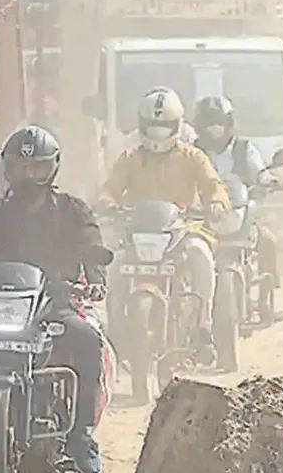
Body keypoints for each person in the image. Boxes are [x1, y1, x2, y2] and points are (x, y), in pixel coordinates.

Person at [0, 126, 111, 473]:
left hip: (54, 305)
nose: (29, 176)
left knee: (88, 339)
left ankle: (81, 437)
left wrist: (95, 282)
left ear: (52, 169)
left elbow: (91, 247)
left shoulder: (73, 210)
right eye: (21, 168)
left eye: (37, 168)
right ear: (8, 170)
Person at [96, 88, 230, 359]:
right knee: (113, 265)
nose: (158, 133)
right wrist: (106, 202)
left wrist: (216, 202)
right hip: (137, 234)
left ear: (178, 125)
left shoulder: (193, 157)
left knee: (201, 255)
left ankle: (203, 327)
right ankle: (113, 329)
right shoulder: (130, 158)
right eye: (152, 125)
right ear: (142, 124)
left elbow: (213, 185)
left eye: (165, 126)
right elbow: (109, 189)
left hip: (183, 230)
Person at [192, 96, 283, 290]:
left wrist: (270, 180)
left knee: (268, 242)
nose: (215, 128)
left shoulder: (244, 148)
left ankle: (267, 294)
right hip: (202, 217)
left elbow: (259, 171)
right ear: (200, 125)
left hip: (239, 211)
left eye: (219, 122)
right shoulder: (192, 152)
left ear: (229, 123)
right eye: (209, 122)